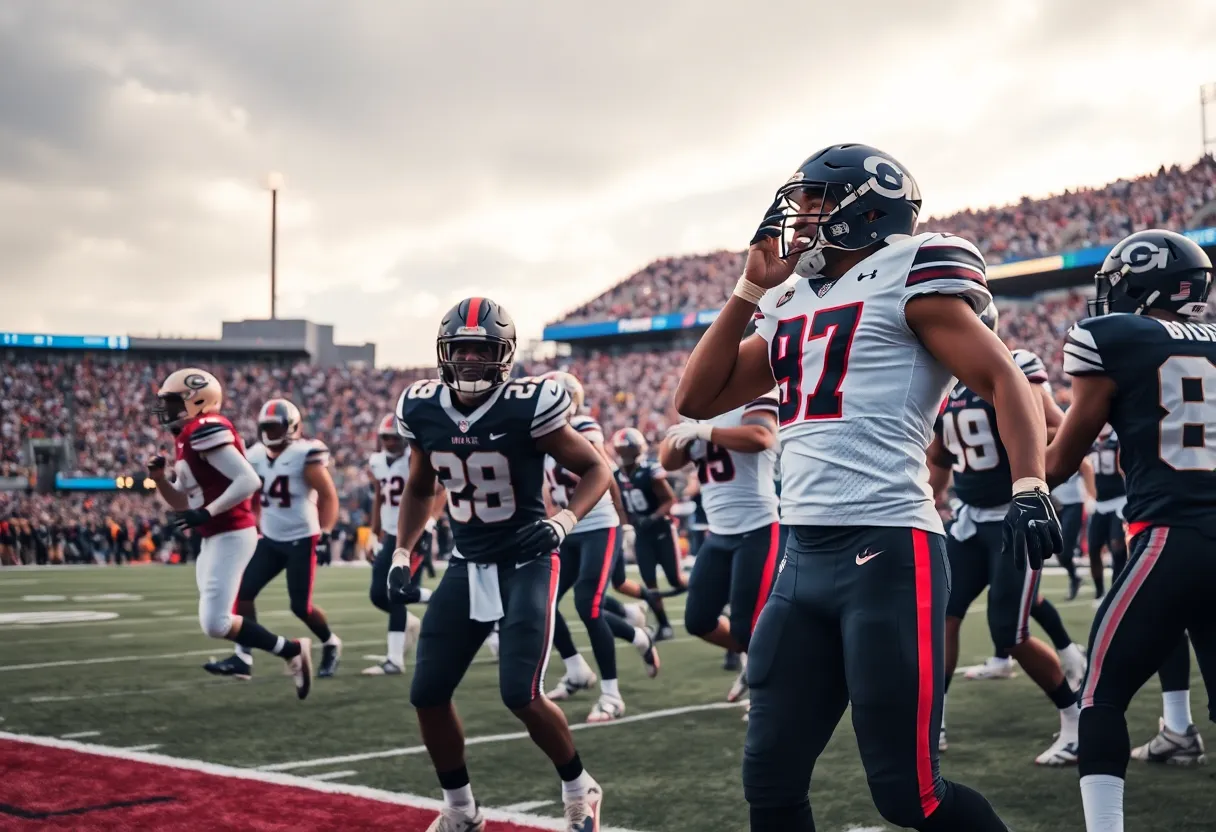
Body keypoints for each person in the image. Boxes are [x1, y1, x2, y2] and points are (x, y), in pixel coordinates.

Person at [675, 143, 1061, 830]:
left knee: (909, 794)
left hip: (888, 550)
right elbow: (698, 398)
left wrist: (1030, 482)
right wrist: (748, 291)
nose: (802, 220)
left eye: (818, 203)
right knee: (769, 778)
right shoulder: (792, 300)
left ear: (866, 208)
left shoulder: (911, 270)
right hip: (801, 556)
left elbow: (1004, 377)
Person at [391, 297, 612, 832]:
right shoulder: (421, 408)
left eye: (480, 349)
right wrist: (402, 549)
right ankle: (462, 810)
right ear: (444, 353)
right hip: (467, 561)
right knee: (427, 693)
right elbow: (421, 488)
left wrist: (563, 520)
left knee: (521, 692)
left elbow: (596, 469)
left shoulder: (528, 404)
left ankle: (580, 787)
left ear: (503, 355)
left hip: (528, 558)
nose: (469, 360)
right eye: (460, 349)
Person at [1045, 229, 1216, 831]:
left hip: (1171, 536)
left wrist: (1022, 475)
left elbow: (1061, 461)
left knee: (1101, 695)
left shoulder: (1113, 338)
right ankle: (1178, 730)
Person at [927, 316, 1086, 763]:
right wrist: (929, 498)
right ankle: (933, 718)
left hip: (1012, 518)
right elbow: (940, 455)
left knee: (1009, 632)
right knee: (943, 616)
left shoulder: (1015, 365)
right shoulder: (948, 386)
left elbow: (1055, 427)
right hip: (969, 520)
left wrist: (1029, 458)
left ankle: (1074, 720)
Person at [147, 369, 312, 699]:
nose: (167, 409)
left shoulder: (206, 428)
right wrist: (161, 480)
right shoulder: (187, 436)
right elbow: (182, 500)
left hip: (232, 532)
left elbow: (248, 480)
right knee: (217, 619)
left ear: (198, 400)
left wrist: (206, 512)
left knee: (216, 622)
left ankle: (292, 650)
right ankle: (277, 652)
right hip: (214, 535)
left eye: (174, 401)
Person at [540, 371, 660, 723]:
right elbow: (547, 488)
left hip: (597, 523)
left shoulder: (583, 426)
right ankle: (579, 668)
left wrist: (623, 522)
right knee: (543, 603)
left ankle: (612, 694)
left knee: (587, 605)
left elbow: (602, 473)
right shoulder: (536, 436)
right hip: (566, 528)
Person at [659, 389, 784, 713]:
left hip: (757, 528)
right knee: (698, 620)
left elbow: (761, 437)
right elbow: (668, 461)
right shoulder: (700, 409)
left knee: (748, 624)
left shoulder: (753, 397)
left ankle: (767, 693)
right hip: (719, 534)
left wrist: (704, 430)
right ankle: (758, 661)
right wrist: (687, 426)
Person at [204, 398, 343, 680]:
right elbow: (251, 493)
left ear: (291, 426)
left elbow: (328, 496)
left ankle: (330, 643)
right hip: (270, 538)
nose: (269, 432)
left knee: (300, 607)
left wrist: (326, 534)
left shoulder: (306, 453)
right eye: (265, 426)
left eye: (275, 426)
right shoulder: (254, 454)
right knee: (242, 593)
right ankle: (243, 657)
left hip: (302, 539)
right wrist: (253, 524)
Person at [611, 428, 685, 640]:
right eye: (621, 449)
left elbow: (670, 500)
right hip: (641, 534)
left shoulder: (649, 470)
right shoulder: (617, 475)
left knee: (676, 580)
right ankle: (664, 625)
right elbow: (621, 507)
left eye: (627, 449)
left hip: (661, 529)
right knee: (649, 582)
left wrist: (651, 518)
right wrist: (627, 528)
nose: (624, 453)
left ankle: (712, 597)